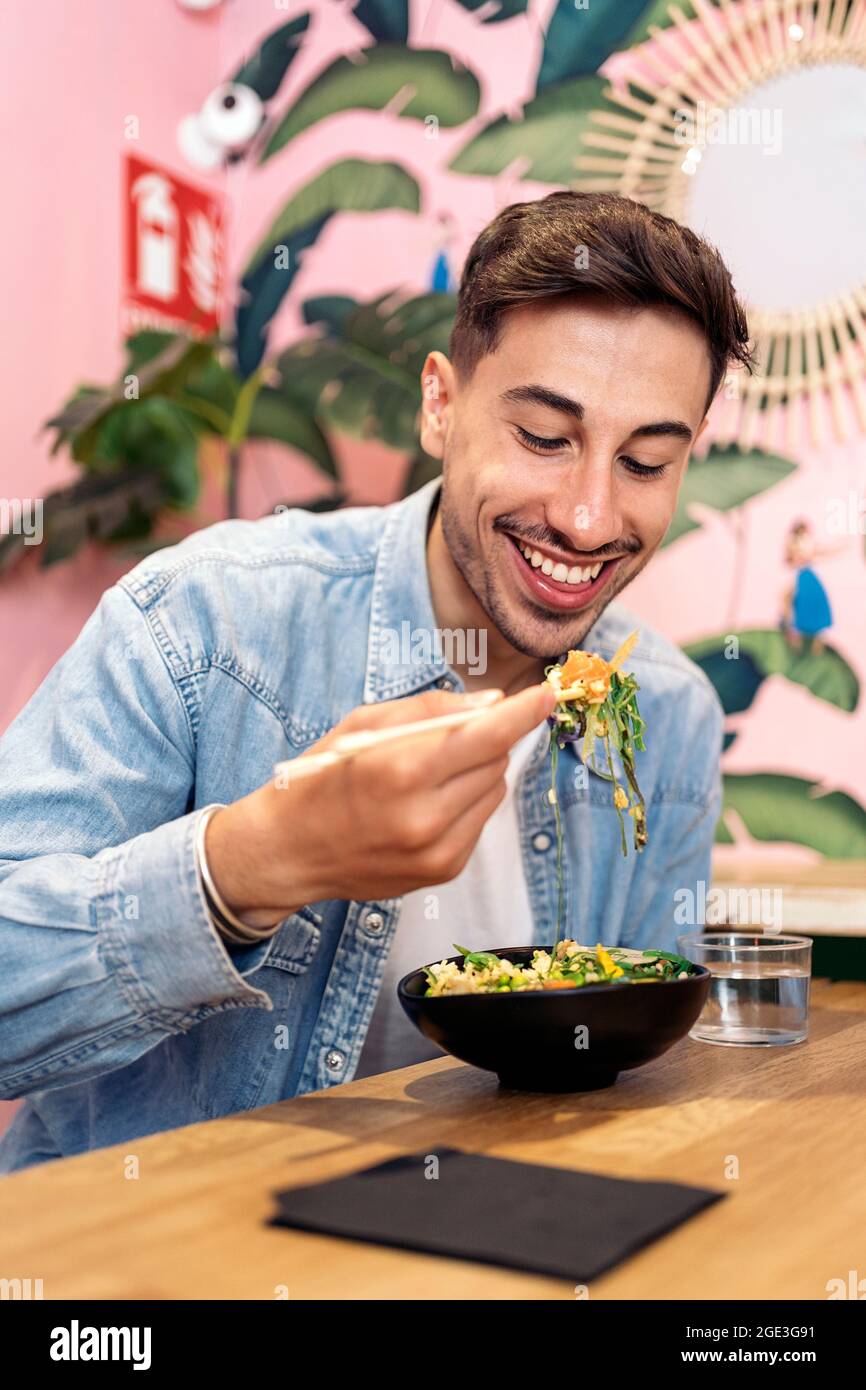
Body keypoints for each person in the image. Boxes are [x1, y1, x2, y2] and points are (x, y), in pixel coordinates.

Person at [0, 191, 753, 1170]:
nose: (586, 516)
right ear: (440, 404)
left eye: (646, 459)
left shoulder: (666, 713)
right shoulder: (204, 623)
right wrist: (250, 865)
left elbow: (640, 1073)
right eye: (541, 437)